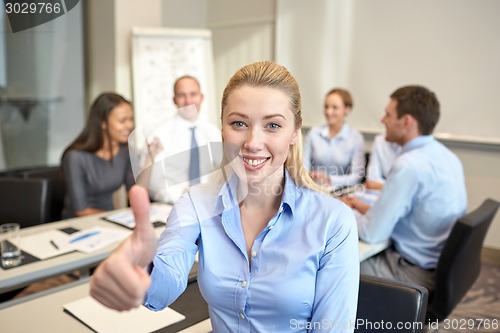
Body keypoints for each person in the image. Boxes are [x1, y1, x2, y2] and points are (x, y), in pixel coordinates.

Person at [90, 62, 359, 332]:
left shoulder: (333, 221)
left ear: (295, 132)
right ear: (222, 127)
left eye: (273, 125)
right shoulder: (196, 203)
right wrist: (143, 269)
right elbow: (165, 286)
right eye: (239, 123)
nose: (253, 142)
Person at [343, 85, 467, 291]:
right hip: (437, 266)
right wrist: (360, 207)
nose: (382, 120)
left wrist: (341, 211)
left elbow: (371, 233)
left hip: (413, 272)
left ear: (407, 121)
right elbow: (404, 214)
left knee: (337, 266)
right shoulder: (449, 157)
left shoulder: (409, 165)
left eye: (388, 114)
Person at [144, 75, 221, 204]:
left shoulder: (213, 132)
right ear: (174, 100)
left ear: (201, 97)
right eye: (181, 95)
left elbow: (222, 173)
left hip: (208, 203)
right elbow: (153, 182)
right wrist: (180, 195)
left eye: (193, 94)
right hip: (172, 204)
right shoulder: (160, 134)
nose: (188, 100)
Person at [61, 92, 135, 218]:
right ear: (103, 123)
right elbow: (81, 210)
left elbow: (134, 191)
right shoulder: (75, 157)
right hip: (78, 224)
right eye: (122, 120)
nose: (129, 125)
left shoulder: (125, 151)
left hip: (110, 219)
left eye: (131, 119)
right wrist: (118, 218)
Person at [303, 88, 365, 190]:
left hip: (340, 192)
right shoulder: (314, 133)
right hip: (312, 188)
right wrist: (308, 175)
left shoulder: (356, 138)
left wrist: (329, 179)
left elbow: (356, 176)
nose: (328, 112)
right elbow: (303, 166)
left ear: (347, 109)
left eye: (334, 107)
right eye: (326, 107)